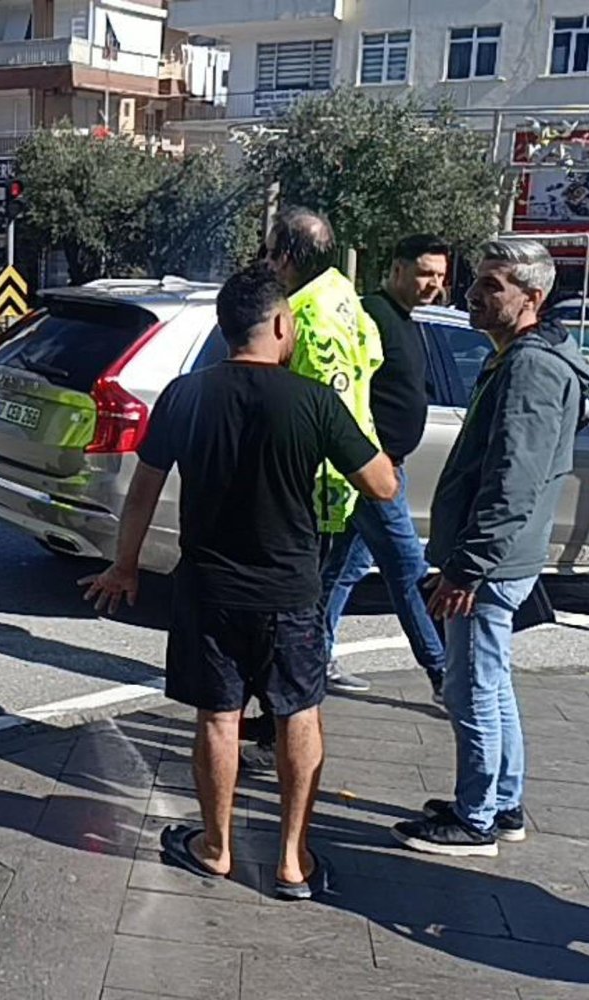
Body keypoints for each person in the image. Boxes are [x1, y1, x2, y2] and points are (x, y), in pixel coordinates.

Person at [82, 264, 395, 899]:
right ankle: (292, 861)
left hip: (209, 590)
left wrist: (125, 565)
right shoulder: (313, 401)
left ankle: (216, 848)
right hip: (291, 595)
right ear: (282, 325)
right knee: (297, 714)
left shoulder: (184, 395)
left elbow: (143, 489)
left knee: (219, 718)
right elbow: (382, 485)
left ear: (226, 330)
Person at [393, 241, 589, 857]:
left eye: (493, 285)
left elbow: (515, 477)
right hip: (501, 556)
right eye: (477, 282)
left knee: (472, 687)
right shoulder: (523, 356)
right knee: (490, 680)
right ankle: (500, 803)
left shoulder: (531, 367)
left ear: (531, 298)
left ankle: (477, 815)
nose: (474, 294)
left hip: (492, 561)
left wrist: (467, 567)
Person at [245, 207, 383, 771]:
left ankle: (281, 728)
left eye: (273, 252)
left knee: (295, 617)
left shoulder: (304, 313)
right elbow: (372, 356)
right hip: (340, 477)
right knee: (305, 610)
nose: (268, 262)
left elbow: (313, 408)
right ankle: (278, 717)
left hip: (316, 487)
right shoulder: (345, 295)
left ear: (290, 257)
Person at [320, 235, 450, 699]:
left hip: (391, 466)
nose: (434, 283)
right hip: (371, 472)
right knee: (409, 570)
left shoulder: (408, 321)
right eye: (424, 273)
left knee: (343, 569)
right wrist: (370, 461)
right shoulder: (371, 315)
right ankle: (444, 677)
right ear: (397, 269)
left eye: (439, 275)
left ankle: (313, 655)